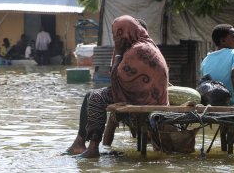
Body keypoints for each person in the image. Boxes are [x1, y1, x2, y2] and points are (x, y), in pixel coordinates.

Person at [66, 15, 169, 158]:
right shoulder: (147, 45)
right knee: (90, 94)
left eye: (118, 34)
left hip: (141, 99)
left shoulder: (136, 51)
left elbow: (115, 79)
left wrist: (119, 52)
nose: (116, 38)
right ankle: (80, 142)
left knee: (96, 97)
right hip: (144, 96)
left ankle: (93, 148)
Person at [200, 23, 234, 107]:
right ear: (223, 40)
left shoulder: (205, 59)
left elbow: (204, 83)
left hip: (210, 105)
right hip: (231, 104)